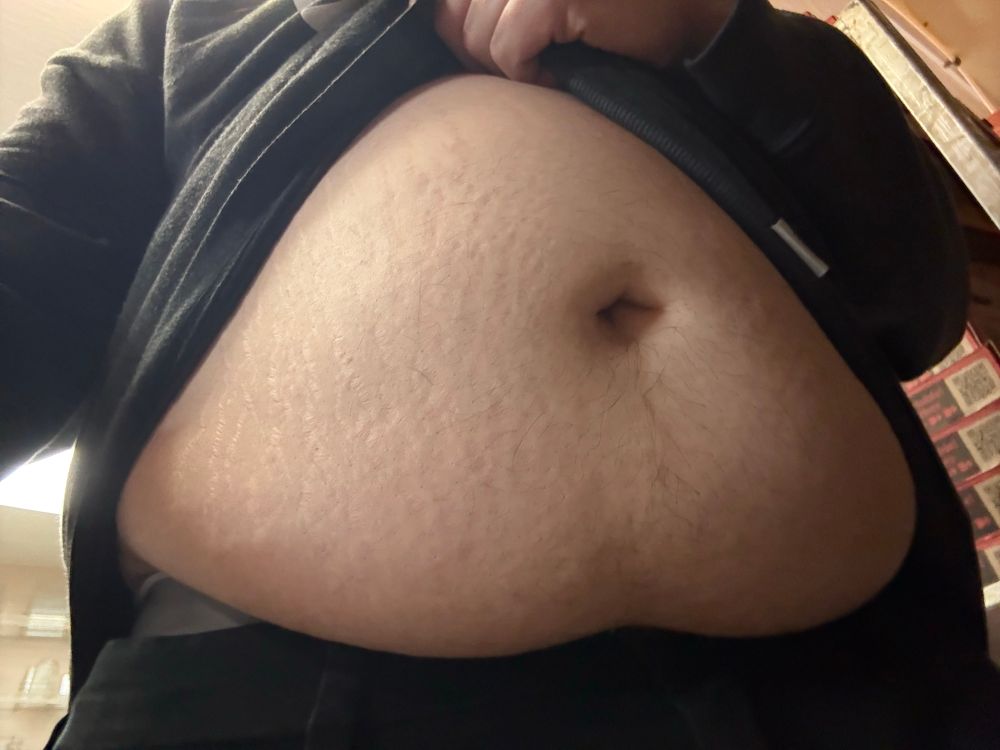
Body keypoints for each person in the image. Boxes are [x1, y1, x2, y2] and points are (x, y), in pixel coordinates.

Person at [0, 0, 995, 747]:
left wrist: (706, 28)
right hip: (265, 689)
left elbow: (917, 306)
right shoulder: (175, 31)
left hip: (854, 678)